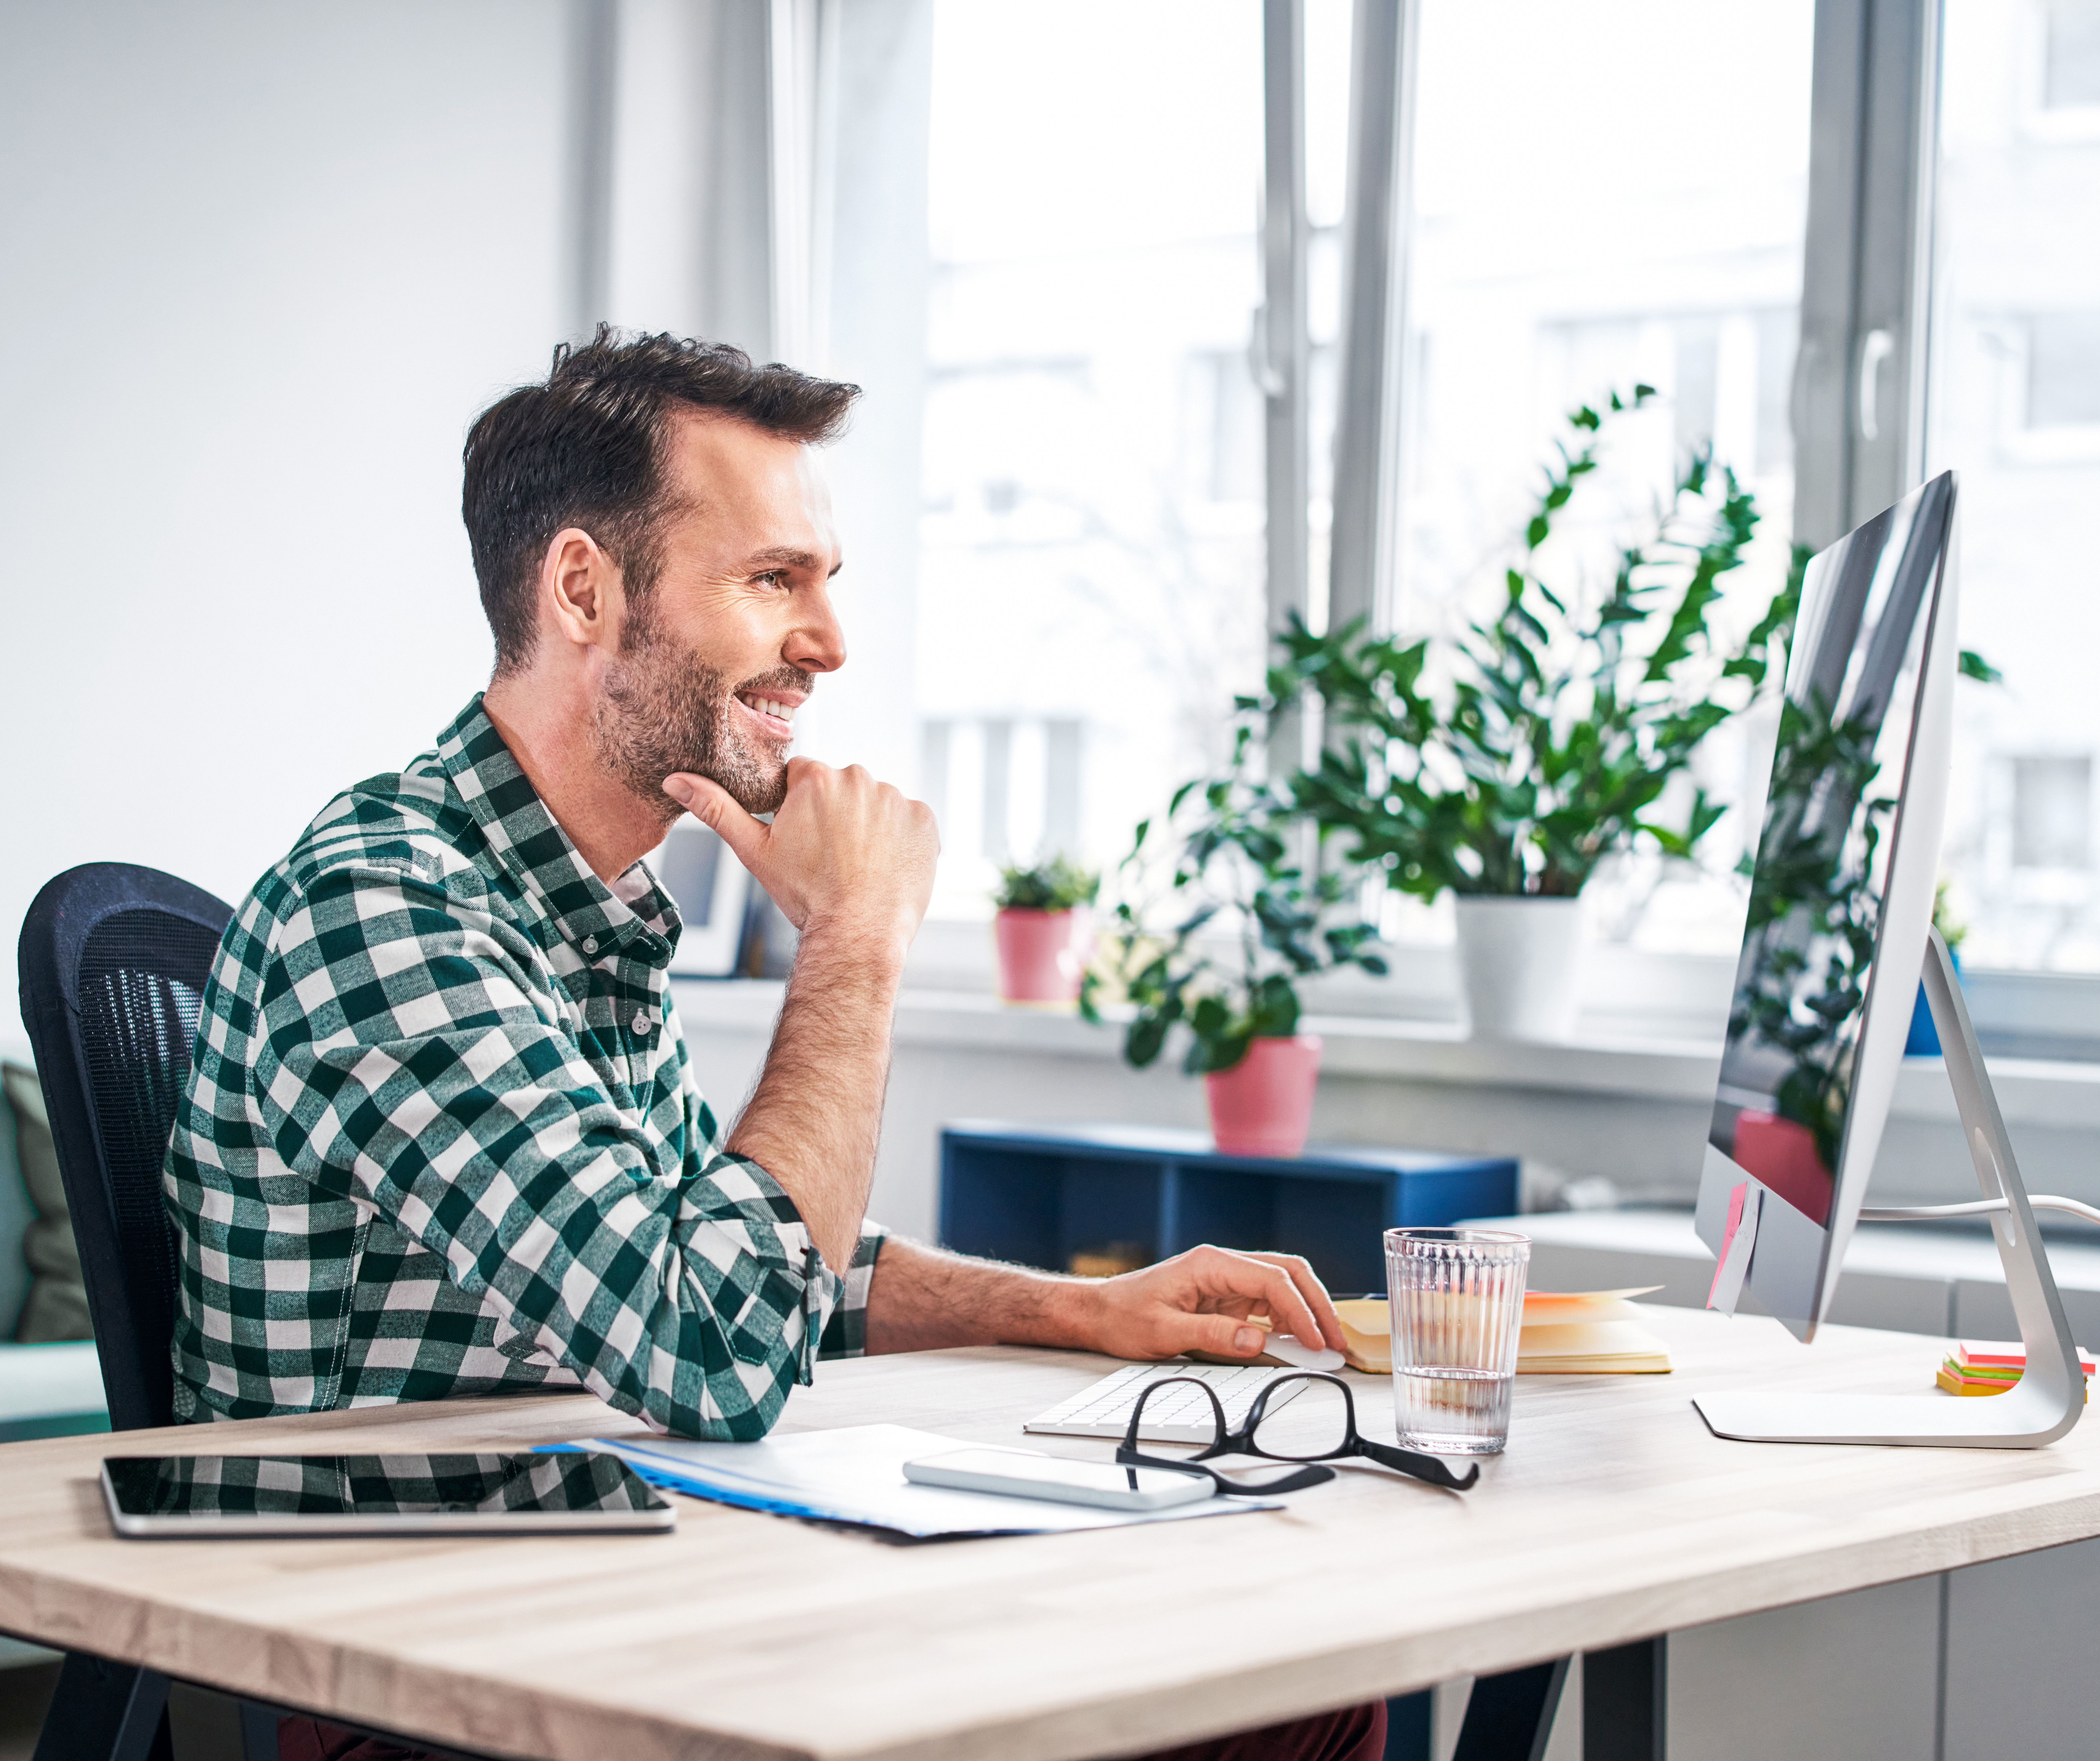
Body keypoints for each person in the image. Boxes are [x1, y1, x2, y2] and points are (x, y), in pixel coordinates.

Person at [163, 327, 1381, 1761]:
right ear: (580, 589)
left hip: (613, 1598)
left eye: (823, 582)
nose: (829, 642)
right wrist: (854, 944)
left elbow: (741, 1261)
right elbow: (714, 1346)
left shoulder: (578, 911)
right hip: (417, 1681)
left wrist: (1079, 1313)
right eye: (769, 580)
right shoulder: (386, 909)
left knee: (1283, 1691)